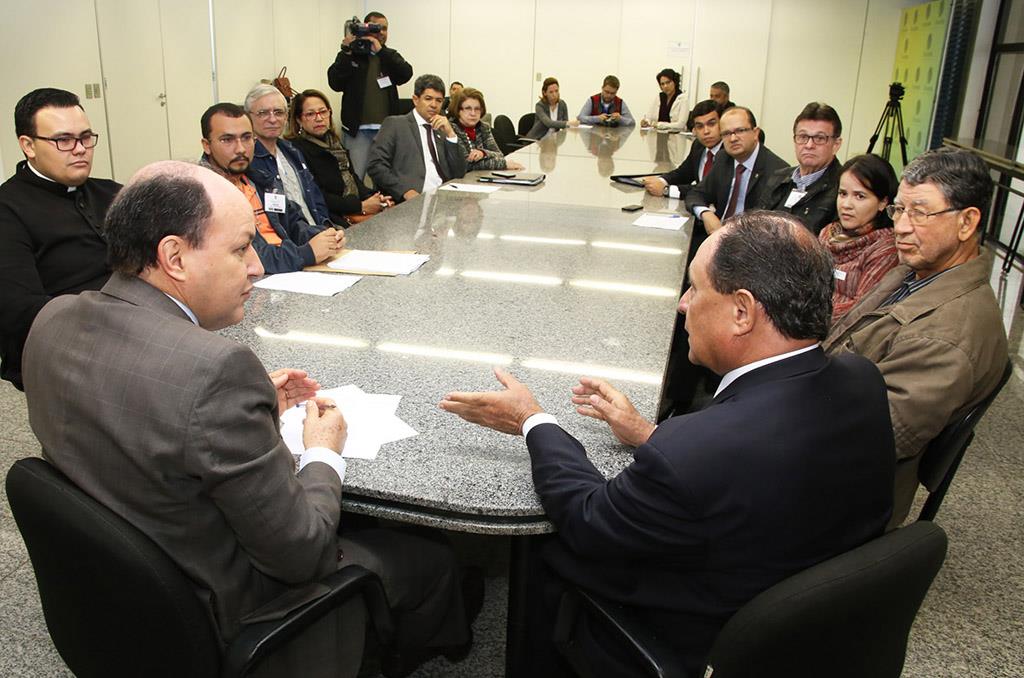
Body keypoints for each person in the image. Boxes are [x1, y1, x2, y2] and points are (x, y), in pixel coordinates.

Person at [22, 160, 473, 678]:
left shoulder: (53, 318)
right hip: (227, 609)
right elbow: (302, 555)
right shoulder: (217, 372)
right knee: (432, 555)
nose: (258, 266)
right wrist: (325, 449)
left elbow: (133, 409)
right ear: (174, 257)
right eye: (240, 249)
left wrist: (247, 408)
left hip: (119, 589)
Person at [440, 210, 894, 676]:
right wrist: (645, 434)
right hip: (809, 627)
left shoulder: (695, 450)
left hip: (702, 639)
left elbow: (587, 518)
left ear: (742, 311)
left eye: (696, 288)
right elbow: (753, 466)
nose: (682, 303)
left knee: (542, 548)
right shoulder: (862, 380)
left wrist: (532, 419)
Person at [824, 147, 1008, 528]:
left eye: (920, 213)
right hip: (824, 410)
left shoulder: (948, 337)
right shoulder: (918, 270)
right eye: (900, 210)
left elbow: (864, 440)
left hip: (838, 492)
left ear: (966, 222)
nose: (902, 227)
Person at [0, 87, 121, 391]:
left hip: (135, 334)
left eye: (85, 137)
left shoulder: (111, 192)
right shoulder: (8, 210)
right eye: (63, 140)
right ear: (28, 145)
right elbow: (20, 310)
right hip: (65, 356)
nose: (80, 149)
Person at [199, 102, 345, 274]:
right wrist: (306, 253)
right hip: (254, 281)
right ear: (207, 145)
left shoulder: (260, 179)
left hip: (288, 269)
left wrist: (324, 237)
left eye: (246, 138)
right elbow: (246, 257)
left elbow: (292, 221)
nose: (240, 149)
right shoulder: (205, 194)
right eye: (227, 140)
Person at [684, 106, 787, 249]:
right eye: (726, 133)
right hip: (717, 236)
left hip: (752, 247)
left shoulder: (778, 172)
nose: (733, 138)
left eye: (740, 131)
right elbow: (696, 193)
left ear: (755, 133)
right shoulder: (723, 158)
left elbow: (772, 232)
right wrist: (705, 213)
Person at [327, 10, 413, 180]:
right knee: (355, 177)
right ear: (364, 29)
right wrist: (346, 51)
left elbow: (405, 74)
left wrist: (381, 52)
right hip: (357, 131)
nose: (381, 33)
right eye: (376, 28)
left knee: (385, 179)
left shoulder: (389, 56)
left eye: (384, 29)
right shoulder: (352, 55)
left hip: (386, 131)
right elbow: (335, 83)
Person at [285, 89, 393, 225]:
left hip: (354, 206)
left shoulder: (334, 142)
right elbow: (315, 195)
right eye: (310, 114)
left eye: (323, 112)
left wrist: (375, 197)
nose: (319, 118)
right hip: (330, 218)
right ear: (299, 119)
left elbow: (352, 177)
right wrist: (360, 207)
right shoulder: (296, 149)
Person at [819, 154, 900, 323]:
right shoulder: (827, 233)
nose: (846, 204)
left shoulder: (886, 249)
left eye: (859, 196)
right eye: (842, 194)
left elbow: (861, 310)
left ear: (883, 202)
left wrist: (802, 310)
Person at [244, 84, 333, 228]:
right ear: (248, 117)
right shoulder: (248, 160)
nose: (272, 119)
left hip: (319, 233)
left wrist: (326, 228)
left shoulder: (292, 151)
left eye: (278, 112)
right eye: (263, 113)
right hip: (291, 244)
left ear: (286, 117)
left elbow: (317, 199)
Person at [367, 74, 467, 203]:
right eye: (428, 98)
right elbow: (376, 166)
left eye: (439, 100)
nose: (434, 105)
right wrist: (405, 191)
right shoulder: (396, 124)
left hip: (444, 198)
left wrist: (451, 135)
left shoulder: (442, 128)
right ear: (415, 99)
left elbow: (459, 172)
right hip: (412, 198)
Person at [759, 102, 844, 235]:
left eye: (820, 138)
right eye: (803, 137)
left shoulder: (842, 189)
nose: (809, 145)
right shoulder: (778, 177)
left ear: (836, 145)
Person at [642, 99, 722, 198]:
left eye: (711, 124)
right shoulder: (699, 145)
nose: (706, 131)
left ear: (723, 124)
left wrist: (666, 190)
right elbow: (683, 173)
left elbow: (712, 189)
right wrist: (660, 181)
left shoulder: (730, 152)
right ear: (694, 130)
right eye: (700, 126)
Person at [449, 87, 524, 172]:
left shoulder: (483, 127)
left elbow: (499, 155)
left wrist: (483, 153)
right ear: (458, 110)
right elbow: (467, 165)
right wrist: (504, 164)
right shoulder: (451, 130)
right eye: (468, 108)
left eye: (477, 109)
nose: (473, 113)